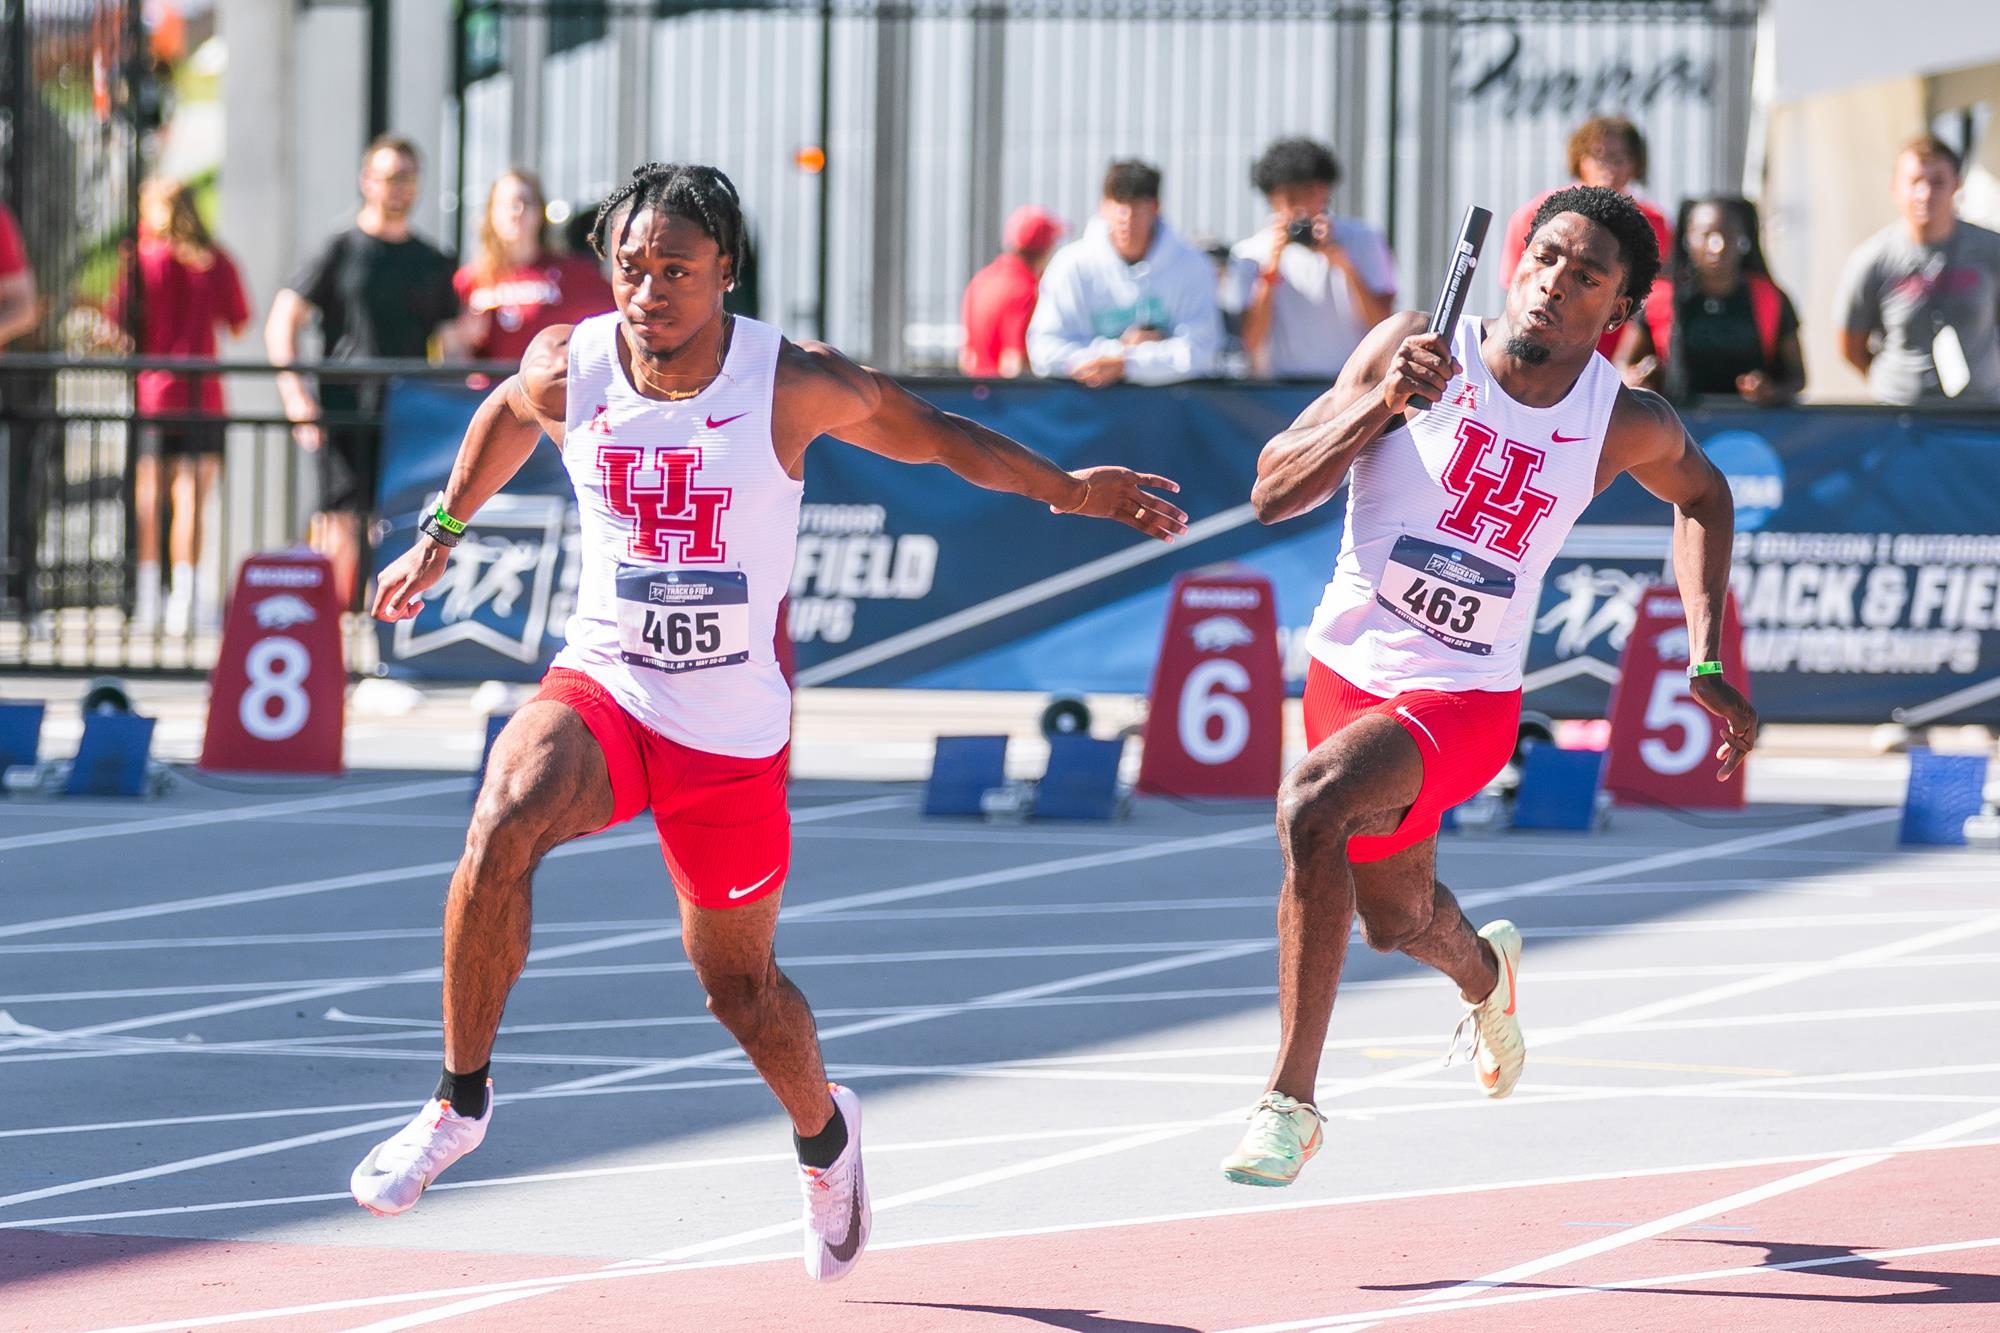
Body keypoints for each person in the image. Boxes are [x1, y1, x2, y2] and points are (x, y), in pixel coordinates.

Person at [353, 163, 1187, 1279]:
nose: (649, 293)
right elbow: (508, 409)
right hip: (608, 680)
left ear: (725, 275)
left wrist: (1072, 491)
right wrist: (439, 532)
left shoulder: (787, 381)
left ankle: (825, 1142)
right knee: (502, 817)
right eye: (633, 268)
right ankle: (459, 1103)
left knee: (738, 988)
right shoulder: (574, 362)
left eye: (677, 272)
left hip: (728, 731)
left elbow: (939, 434)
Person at [1223, 185, 1755, 1186]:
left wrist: (1705, 653)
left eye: (1585, 274)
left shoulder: (1617, 420)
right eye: (1545, 256)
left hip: (1464, 696)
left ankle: (1286, 1103)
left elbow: (1704, 496)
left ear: (1618, 308)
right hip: (1347, 669)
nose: (1554, 281)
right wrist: (1377, 406)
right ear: (1516, 259)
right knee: (1392, 916)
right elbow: (1268, 489)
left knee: (1310, 807)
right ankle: (1484, 972)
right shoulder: (1409, 348)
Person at [265, 134, 463, 609]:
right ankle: (332, 632)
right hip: (343, 410)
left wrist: (454, 407)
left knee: (401, 521)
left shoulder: (432, 261)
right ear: (367, 181)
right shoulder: (338, 249)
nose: (400, 188)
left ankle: (386, 631)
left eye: (408, 178)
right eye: (391, 177)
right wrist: (296, 399)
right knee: (339, 522)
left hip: (410, 416)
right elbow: (281, 322)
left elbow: (456, 345)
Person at [110, 178, 251, 632]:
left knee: (150, 497)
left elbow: (120, 327)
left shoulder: (140, 261)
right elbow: (239, 323)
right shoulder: (215, 259)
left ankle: (150, 597)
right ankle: (185, 601)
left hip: (154, 393)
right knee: (191, 498)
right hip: (202, 394)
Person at [1836, 135, 2000, 405]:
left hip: (1979, 414)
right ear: (1895, 188)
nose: (1925, 194)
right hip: (1902, 418)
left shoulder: (1990, 249)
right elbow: (1850, 346)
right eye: (1914, 182)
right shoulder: (1873, 259)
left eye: (1937, 183)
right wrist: (1895, 386)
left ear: (1956, 185)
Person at [1027, 160, 1221, 386]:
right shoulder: (1070, 265)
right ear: (1103, 206)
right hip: (1087, 412)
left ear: (1156, 208)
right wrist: (1119, 353)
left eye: (1137, 205)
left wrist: (1127, 362)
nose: (1126, 217)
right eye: (1118, 203)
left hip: (1168, 413)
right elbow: (1043, 350)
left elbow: (1202, 350)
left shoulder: (1192, 265)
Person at [1498, 116, 1673, 359]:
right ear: (1578, 158)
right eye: (1598, 155)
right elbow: (1515, 288)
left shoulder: (1654, 225)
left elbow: (1657, 302)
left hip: (1619, 361)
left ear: (1635, 164)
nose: (1608, 167)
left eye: (1618, 158)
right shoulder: (1539, 214)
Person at [1231, 137, 1396, 380]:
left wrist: (1343, 264)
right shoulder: (1251, 253)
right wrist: (1271, 268)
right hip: (1282, 388)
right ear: (1273, 198)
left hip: (1354, 385)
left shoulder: (1364, 240)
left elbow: (1383, 325)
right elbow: (1250, 341)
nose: (1302, 209)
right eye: (1291, 198)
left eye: (1310, 193)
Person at [1618, 195, 1804, 404]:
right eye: (1706, 235)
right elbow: (1623, 363)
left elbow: (1797, 377)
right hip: (1674, 426)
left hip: (1752, 430)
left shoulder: (1770, 298)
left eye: (1728, 235)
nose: (1718, 246)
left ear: (1745, 240)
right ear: (1687, 239)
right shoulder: (1660, 298)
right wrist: (1636, 378)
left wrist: (1770, 391)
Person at [454, 169, 614, 365]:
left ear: (540, 212)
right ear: (490, 214)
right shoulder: (470, 279)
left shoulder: (572, 273)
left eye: (526, 202)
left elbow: (613, 322)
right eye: (506, 204)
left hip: (549, 389)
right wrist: (465, 339)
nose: (517, 211)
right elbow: (452, 354)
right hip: (490, 390)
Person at [960, 205, 1065, 377]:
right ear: (1045, 249)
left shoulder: (980, 280)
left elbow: (966, 357)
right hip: (1008, 400)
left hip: (977, 395)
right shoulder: (1027, 290)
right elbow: (1015, 363)